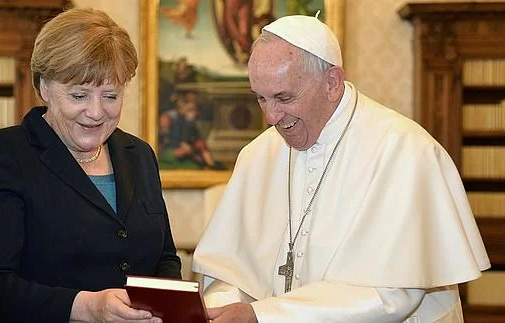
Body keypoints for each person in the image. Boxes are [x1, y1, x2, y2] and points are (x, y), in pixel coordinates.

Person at [192, 14, 490, 322]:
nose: (271, 117)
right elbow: (228, 271)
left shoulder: (404, 151)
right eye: (261, 99)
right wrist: (224, 307)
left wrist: (262, 316)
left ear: (331, 83)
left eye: (284, 97)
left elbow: (392, 294)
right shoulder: (259, 154)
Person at [0, 8, 181, 323]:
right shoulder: (0, 155)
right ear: (44, 87)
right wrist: (88, 307)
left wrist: (169, 308)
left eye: (110, 96)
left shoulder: (139, 154)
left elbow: (165, 259)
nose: (96, 112)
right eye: (79, 95)